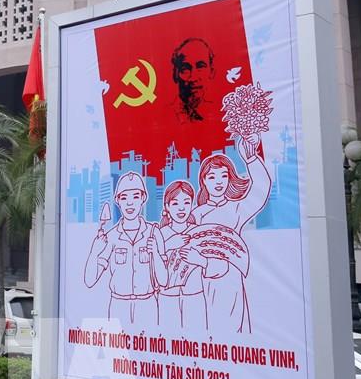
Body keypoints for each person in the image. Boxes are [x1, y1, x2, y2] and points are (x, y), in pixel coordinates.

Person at [183, 134, 271, 333]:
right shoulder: (195, 214)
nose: (218, 182)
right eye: (212, 177)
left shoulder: (236, 208)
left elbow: (262, 188)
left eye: (223, 176)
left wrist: (251, 158)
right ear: (203, 181)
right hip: (199, 280)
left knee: (230, 327)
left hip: (230, 280)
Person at [84, 173, 168, 326]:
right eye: (124, 198)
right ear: (118, 201)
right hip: (119, 305)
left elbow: (163, 281)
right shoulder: (111, 237)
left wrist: (155, 252)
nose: (130, 203)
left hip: (147, 304)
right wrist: (94, 252)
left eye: (135, 197)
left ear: (143, 198)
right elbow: (89, 281)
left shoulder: (154, 232)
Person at [157, 180, 206, 330]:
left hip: (194, 295)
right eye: (175, 203)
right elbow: (150, 266)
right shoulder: (160, 234)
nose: (181, 208)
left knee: (197, 334)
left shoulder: (198, 232)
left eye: (186, 202)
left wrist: (198, 259)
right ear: (167, 206)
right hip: (167, 297)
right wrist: (168, 245)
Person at [171, 38, 216, 124]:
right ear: (175, 74)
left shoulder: (220, 111)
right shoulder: (166, 114)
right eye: (185, 69)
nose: (193, 77)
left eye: (200, 67)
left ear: (212, 71)